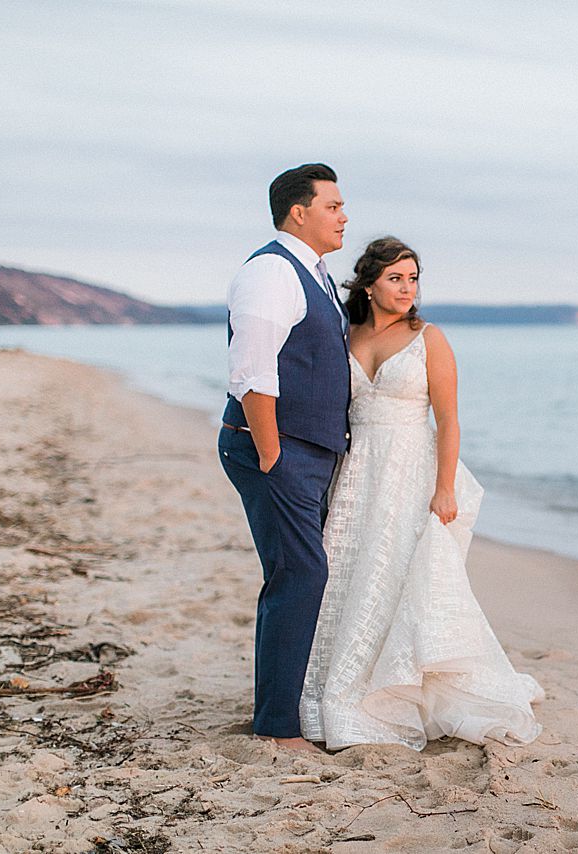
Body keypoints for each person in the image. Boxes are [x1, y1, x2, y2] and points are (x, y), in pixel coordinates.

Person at [299, 237, 543, 750]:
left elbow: (449, 418)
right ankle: (341, 682)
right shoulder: (346, 334)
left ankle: (400, 688)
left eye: (413, 278)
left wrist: (445, 488)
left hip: (411, 468)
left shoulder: (428, 337)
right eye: (396, 278)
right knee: (346, 572)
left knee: (399, 575)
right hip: (357, 470)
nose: (407, 288)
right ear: (368, 285)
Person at [218, 164, 350, 752]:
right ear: (299, 212)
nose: (344, 216)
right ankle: (276, 726)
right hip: (277, 450)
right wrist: (272, 456)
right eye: (333, 206)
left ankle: (279, 709)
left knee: (292, 575)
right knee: (302, 574)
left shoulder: (318, 276)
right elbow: (252, 370)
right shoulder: (273, 270)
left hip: (303, 451)